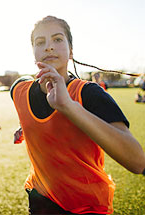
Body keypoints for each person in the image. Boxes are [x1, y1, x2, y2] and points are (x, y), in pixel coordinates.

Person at [11, 16, 145, 215]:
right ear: (33, 51)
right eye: (40, 42)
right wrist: (29, 126)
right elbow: (36, 114)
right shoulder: (18, 90)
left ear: (71, 51)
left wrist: (70, 107)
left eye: (57, 39)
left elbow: (137, 161)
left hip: (87, 207)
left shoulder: (89, 93)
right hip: (40, 200)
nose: (48, 47)